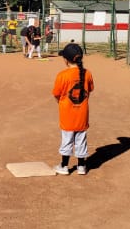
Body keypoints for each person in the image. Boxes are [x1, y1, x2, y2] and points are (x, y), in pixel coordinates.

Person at [52, 43, 94, 175]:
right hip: (82, 114)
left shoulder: (62, 75)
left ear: (66, 59)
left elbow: (56, 94)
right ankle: (81, 166)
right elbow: (90, 90)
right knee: (81, 139)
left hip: (67, 113)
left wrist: (61, 103)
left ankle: (64, 166)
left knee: (67, 139)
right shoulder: (87, 73)